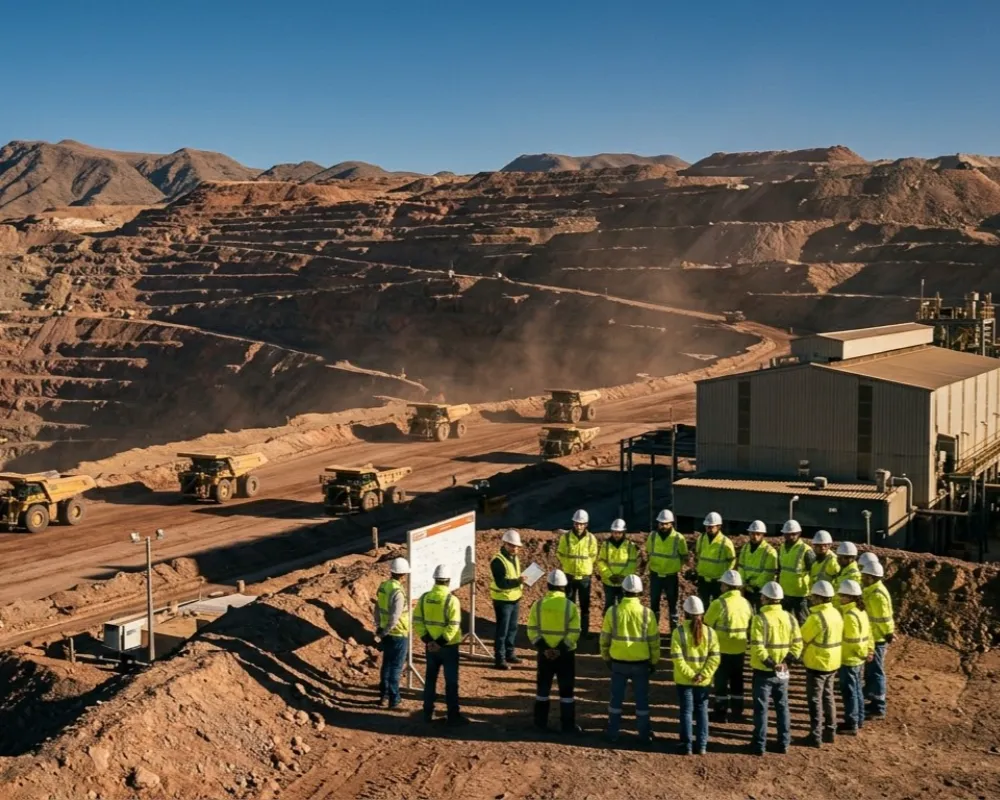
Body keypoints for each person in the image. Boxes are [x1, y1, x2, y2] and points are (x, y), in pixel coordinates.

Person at [601, 574, 660, 744]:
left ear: (623, 591)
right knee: (642, 699)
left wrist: (606, 657)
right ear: (640, 592)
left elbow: (604, 638)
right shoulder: (647, 614)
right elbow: (654, 642)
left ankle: (612, 732)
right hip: (641, 664)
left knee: (616, 698)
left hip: (618, 663)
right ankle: (644, 733)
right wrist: (654, 661)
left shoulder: (612, 612)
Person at [747, 581, 802, 756]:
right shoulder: (791, 618)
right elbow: (797, 644)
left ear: (766, 598)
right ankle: (784, 743)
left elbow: (757, 646)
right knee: (782, 707)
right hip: (783, 670)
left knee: (761, 709)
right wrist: (786, 662)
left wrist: (771, 663)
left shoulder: (759, 619)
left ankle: (759, 745)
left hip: (764, 671)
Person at [527, 569, 582, 733]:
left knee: (543, 690)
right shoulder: (570, 606)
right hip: (565, 655)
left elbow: (532, 630)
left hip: (544, 655)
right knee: (566, 691)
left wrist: (545, 648)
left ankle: (540, 723)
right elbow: (575, 631)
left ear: (548, 585)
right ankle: (567, 725)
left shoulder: (537, 605)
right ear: (564, 587)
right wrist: (560, 649)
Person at [413, 564, 468, 725]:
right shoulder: (451, 600)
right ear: (448, 581)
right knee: (451, 682)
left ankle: (427, 713)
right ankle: (453, 715)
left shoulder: (424, 598)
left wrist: (429, 641)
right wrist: (440, 642)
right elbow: (453, 625)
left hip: (430, 647)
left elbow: (417, 621)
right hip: (448, 647)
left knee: (430, 680)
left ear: (435, 579)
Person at [671, 595, 721, 755]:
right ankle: (702, 745)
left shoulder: (678, 633)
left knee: (686, 711)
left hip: (684, 680)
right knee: (702, 711)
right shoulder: (711, 633)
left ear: (684, 612)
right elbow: (715, 657)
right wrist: (703, 675)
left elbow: (678, 659)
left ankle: (686, 745)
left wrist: (690, 675)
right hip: (703, 682)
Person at [704, 569, 753, 723]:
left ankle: (721, 711)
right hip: (740, 648)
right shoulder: (746, 603)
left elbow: (707, 624)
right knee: (737, 679)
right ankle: (738, 710)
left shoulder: (719, 603)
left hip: (721, 648)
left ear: (725, 586)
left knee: (721, 681)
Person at [799, 580, 843, 747]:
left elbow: (803, 637)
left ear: (818, 598)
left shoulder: (816, 618)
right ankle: (830, 731)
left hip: (817, 663)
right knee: (828, 697)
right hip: (833, 662)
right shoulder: (836, 613)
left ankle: (815, 735)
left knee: (815, 700)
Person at [374, 556, 411, 709]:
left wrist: (379, 628)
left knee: (386, 665)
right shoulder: (398, 592)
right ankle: (394, 698)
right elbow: (395, 617)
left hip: (385, 632)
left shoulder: (384, 586)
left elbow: (377, 608)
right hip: (398, 633)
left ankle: (384, 696)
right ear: (403, 575)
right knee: (395, 667)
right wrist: (385, 631)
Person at [837, 579, 872, 735]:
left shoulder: (849, 616)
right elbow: (869, 634)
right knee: (857, 689)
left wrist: (862, 653)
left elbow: (853, 641)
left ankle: (851, 723)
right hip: (858, 659)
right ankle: (859, 719)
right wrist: (868, 651)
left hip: (850, 659)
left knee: (850, 692)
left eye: (842, 594)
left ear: (849, 597)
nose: (839, 597)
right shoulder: (861, 611)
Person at [861, 561, 895, 720]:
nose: (862, 578)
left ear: (871, 577)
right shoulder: (874, 591)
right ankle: (873, 701)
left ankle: (878, 707)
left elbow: (884, 619)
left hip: (877, 639)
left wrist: (888, 633)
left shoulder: (877, 595)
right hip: (874, 637)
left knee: (876, 672)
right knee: (871, 671)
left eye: (865, 576)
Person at [557, 510, 598, 637]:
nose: (578, 526)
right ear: (573, 523)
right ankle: (570, 630)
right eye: (576, 523)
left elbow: (593, 555)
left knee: (585, 606)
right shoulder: (566, 537)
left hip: (584, 577)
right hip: (569, 576)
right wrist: (568, 565)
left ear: (586, 524)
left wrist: (584, 567)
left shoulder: (591, 539)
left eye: (581, 524)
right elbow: (560, 554)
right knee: (570, 605)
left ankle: (584, 632)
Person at [646, 509, 688, 629]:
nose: (663, 526)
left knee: (673, 604)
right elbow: (649, 552)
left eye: (666, 523)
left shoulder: (678, 538)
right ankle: (653, 629)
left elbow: (684, 556)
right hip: (655, 575)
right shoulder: (652, 536)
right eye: (661, 523)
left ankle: (674, 631)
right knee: (653, 604)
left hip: (671, 576)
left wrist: (679, 568)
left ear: (671, 524)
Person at [490, 529, 525, 670]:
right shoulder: (498, 561)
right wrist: (518, 581)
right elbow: (502, 583)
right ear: (504, 543)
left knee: (512, 628)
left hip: (514, 598)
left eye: (516, 546)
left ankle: (509, 653)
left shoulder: (514, 557)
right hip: (503, 600)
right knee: (502, 630)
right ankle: (500, 658)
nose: (515, 548)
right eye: (512, 545)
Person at [597, 518, 639, 613]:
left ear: (623, 532)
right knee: (609, 606)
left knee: (623, 606)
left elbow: (632, 563)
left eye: (619, 532)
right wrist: (609, 575)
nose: (616, 535)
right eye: (615, 532)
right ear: (612, 532)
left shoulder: (629, 546)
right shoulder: (606, 545)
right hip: (609, 582)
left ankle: (620, 626)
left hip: (623, 582)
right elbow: (601, 562)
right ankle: (608, 626)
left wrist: (623, 577)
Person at [694, 512, 735, 607]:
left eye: (711, 527)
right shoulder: (701, 539)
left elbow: (732, 561)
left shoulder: (726, 542)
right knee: (703, 606)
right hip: (703, 579)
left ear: (719, 527)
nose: (709, 529)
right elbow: (698, 555)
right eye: (707, 526)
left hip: (717, 581)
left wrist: (726, 577)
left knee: (717, 606)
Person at [777, 519, 815, 622]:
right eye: (787, 534)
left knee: (802, 621)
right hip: (784, 592)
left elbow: (813, 572)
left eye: (793, 534)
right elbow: (780, 569)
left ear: (799, 534)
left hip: (800, 594)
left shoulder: (806, 550)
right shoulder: (782, 548)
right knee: (785, 621)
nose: (790, 536)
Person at [737, 520, 777, 612]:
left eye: (758, 534)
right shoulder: (745, 548)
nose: (755, 536)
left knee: (761, 613)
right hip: (746, 588)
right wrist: (743, 584)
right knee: (746, 613)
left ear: (763, 535)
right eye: (752, 534)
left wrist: (754, 585)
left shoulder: (769, 551)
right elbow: (741, 567)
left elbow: (768, 573)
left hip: (760, 590)